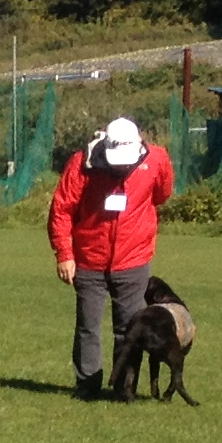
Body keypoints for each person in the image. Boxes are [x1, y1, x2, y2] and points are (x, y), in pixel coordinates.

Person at [49, 113, 177, 399]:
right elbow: (61, 209)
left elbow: (162, 194)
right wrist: (64, 253)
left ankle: (124, 388)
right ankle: (87, 385)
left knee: (130, 328)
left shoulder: (157, 159)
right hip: (88, 258)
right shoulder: (82, 163)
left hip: (134, 258)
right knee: (88, 327)